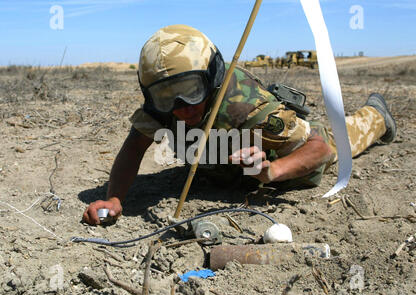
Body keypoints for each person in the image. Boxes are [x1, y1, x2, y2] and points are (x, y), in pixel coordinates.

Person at [82, 25, 396, 225]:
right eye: (166, 98)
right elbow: (134, 147)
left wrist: (272, 172)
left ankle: (377, 114)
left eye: (192, 92)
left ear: (212, 77)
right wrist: (114, 198)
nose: (181, 109)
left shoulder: (246, 105)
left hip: (286, 158)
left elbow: (320, 148)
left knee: (343, 139)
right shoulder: (162, 107)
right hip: (227, 169)